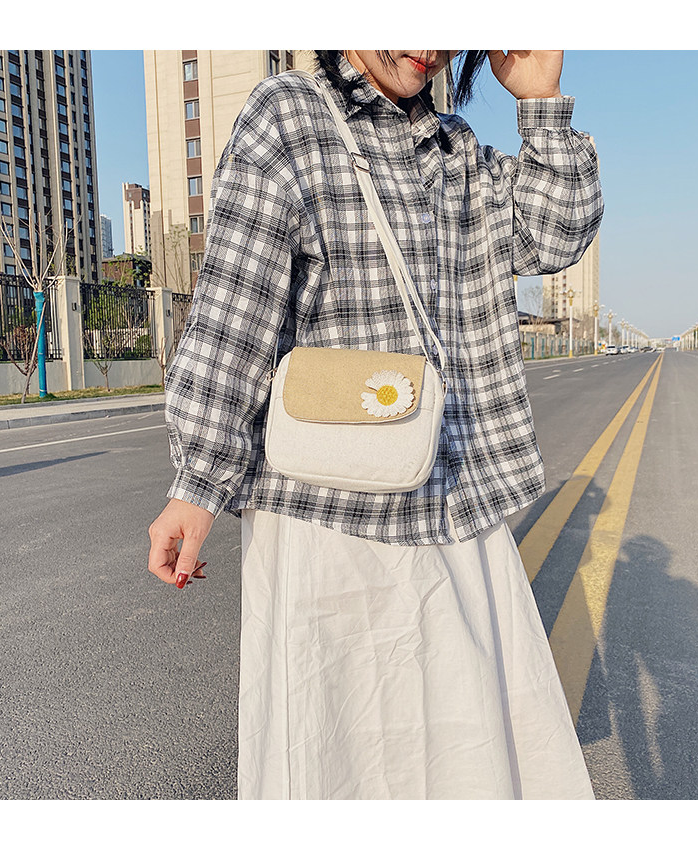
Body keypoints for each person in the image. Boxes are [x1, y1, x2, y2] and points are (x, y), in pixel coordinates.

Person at [147, 50, 604, 800]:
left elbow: (556, 235)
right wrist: (198, 482)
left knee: (467, 769)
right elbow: (236, 312)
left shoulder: (458, 153)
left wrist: (540, 97)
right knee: (339, 766)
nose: (429, 43)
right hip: (330, 520)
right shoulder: (289, 117)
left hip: (456, 515)